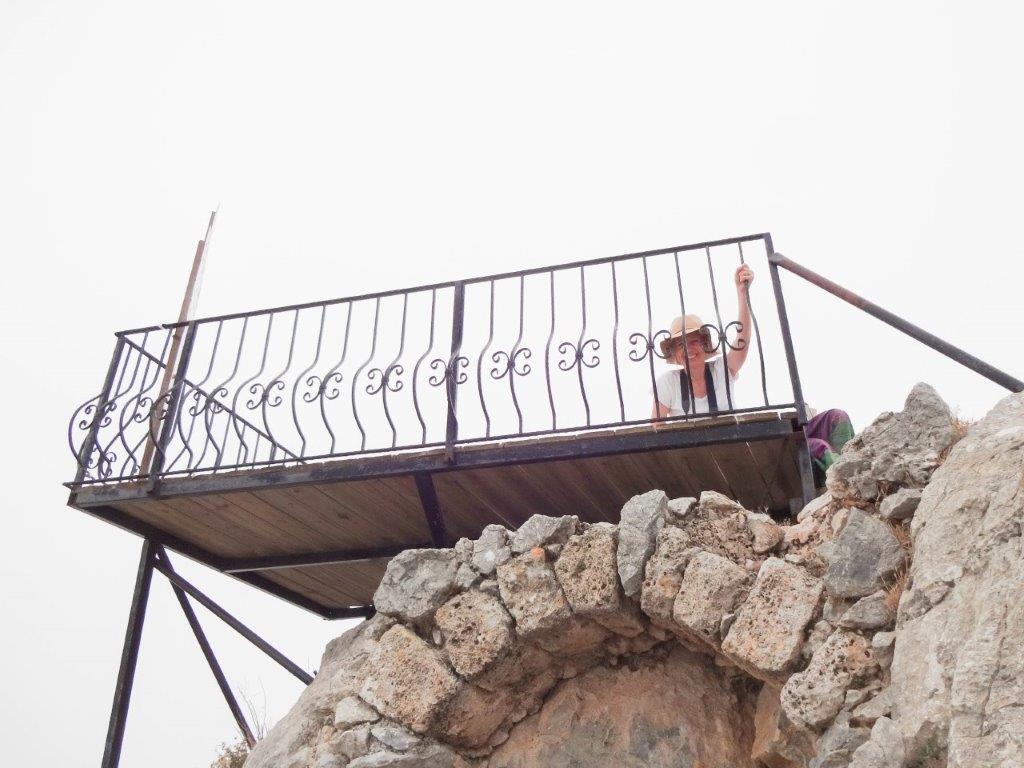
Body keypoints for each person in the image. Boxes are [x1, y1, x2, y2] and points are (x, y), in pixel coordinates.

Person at [651, 264, 853, 485]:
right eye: (681, 344)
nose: (689, 349)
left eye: (694, 341)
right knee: (817, 447)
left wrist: (742, 294)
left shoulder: (720, 369)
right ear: (675, 353)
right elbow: (656, 429)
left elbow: (742, 341)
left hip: (746, 442)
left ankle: (851, 469)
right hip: (723, 458)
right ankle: (846, 483)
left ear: (705, 344)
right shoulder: (668, 383)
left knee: (836, 417)